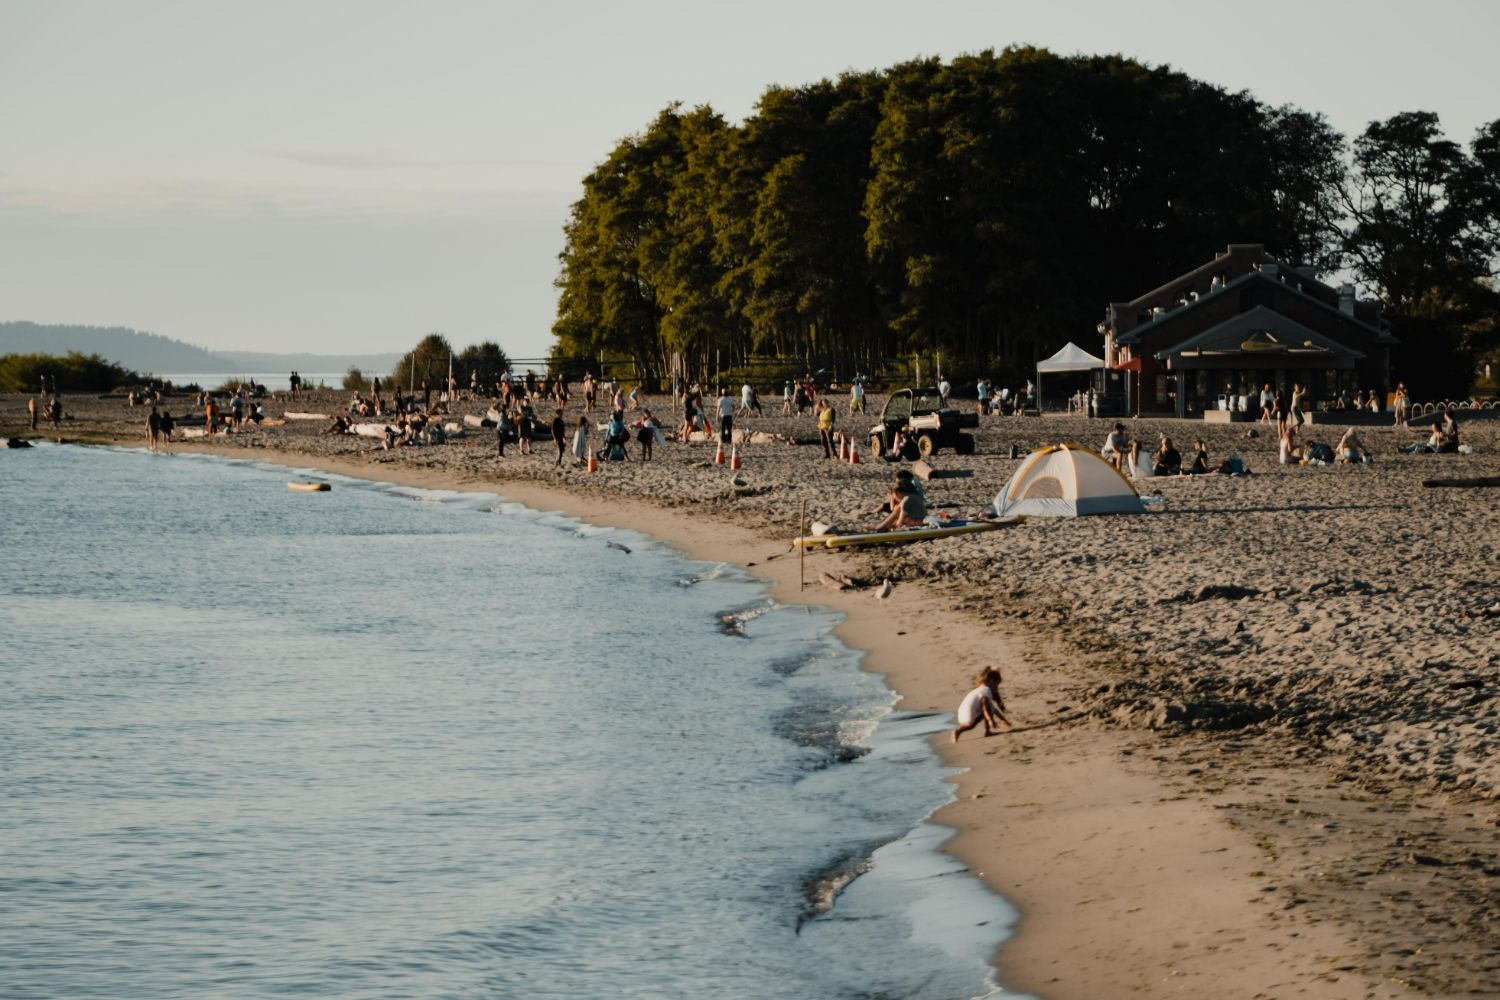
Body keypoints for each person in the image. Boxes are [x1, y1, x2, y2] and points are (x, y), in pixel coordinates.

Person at [951, 667, 1010, 741]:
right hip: (969, 714)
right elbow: (985, 707)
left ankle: (960, 730)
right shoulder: (987, 690)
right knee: (971, 724)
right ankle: (958, 731)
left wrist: (1004, 720)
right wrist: (990, 720)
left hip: (961, 714)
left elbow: (993, 709)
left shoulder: (979, 689)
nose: (997, 688)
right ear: (991, 682)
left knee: (990, 708)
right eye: (997, 685)